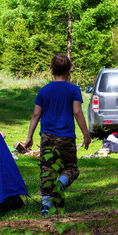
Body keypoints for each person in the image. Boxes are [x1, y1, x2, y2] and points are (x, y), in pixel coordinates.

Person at [23, 53, 91, 216]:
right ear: (69, 71)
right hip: (66, 138)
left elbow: (35, 115)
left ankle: (46, 207)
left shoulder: (44, 91)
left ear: (51, 70)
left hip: (47, 137)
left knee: (47, 169)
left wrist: (30, 136)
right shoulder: (74, 90)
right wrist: (86, 134)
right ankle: (61, 183)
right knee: (70, 168)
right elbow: (77, 112)